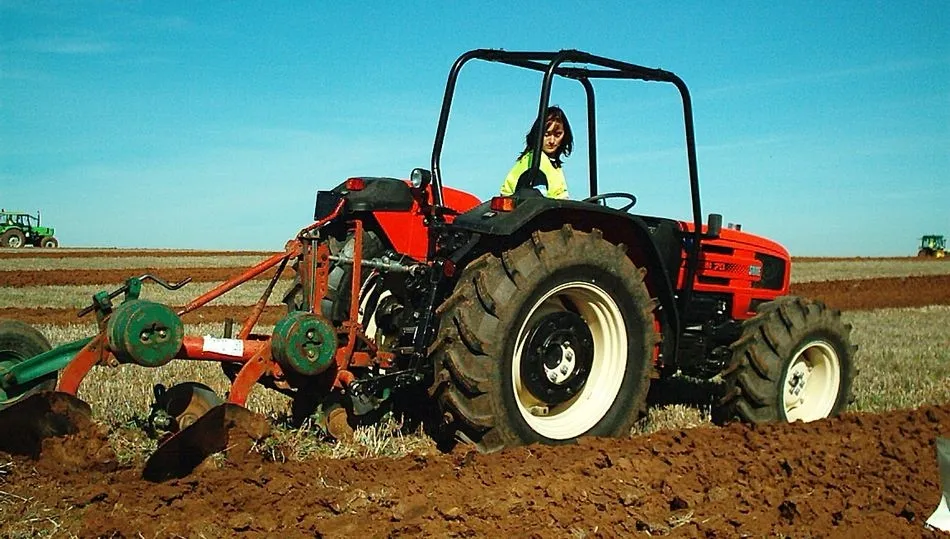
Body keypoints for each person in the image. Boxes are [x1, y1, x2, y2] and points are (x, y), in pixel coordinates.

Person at [500, 106, 573, 199]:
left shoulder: (551, 164)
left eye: (557, 134)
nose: (552, 140)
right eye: (547, 134)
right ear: (537, 134)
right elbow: (534, 203)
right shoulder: (536, 163)